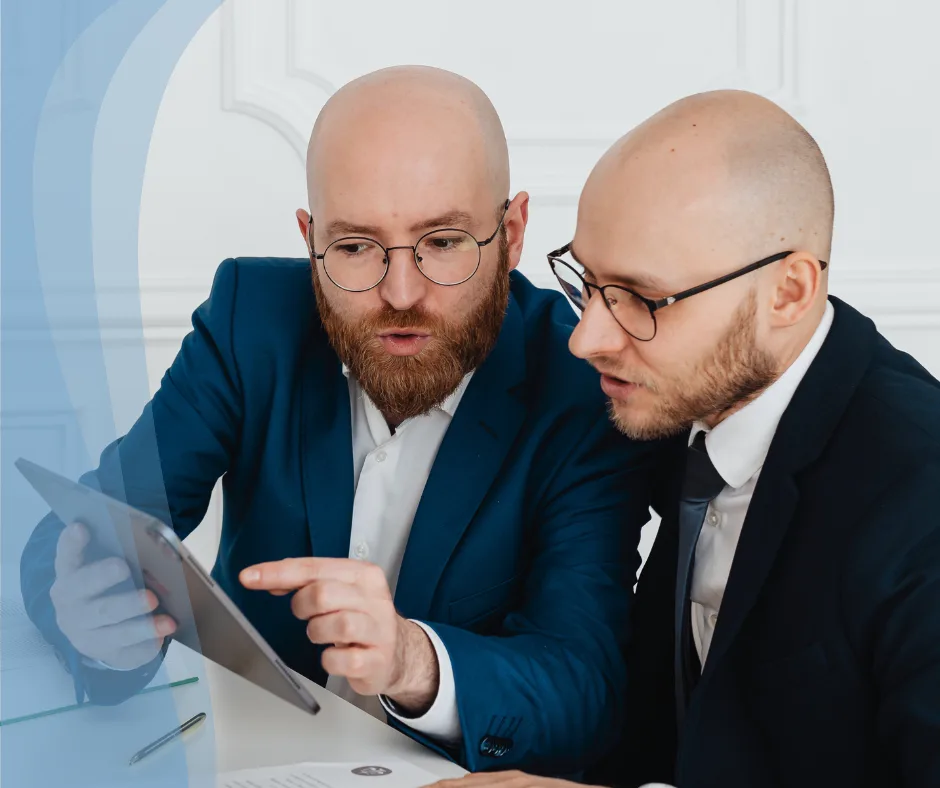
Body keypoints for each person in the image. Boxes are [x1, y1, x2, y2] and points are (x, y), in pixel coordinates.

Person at [19, 66, 659, 775]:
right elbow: (87, 525)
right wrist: (92, 626)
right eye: (355, 247)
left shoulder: (584, 386)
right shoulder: (250, 318)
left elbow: (585, 689)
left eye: (443, 241)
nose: (401, 292)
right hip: (242, 756)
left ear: (510, 233)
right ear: (310, 236)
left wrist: (414, 661)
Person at [428, 90, 940, 788]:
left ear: (788, 293)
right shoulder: (683, 398)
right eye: (588, 283)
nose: (587, 338)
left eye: (642, 298)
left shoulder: (919, 495)